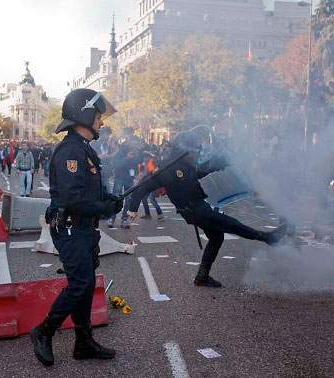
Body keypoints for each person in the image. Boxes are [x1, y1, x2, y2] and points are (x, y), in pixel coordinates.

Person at [127, 128, 289, 288]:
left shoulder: (185, 165)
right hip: (194, 210)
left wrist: (222, 161)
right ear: (185, 150)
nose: (197, 154)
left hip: (197, 208)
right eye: (195, 151)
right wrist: (133, 208)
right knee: (230, 223)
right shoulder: (167, 169)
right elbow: (142, 186)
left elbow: (201, 171)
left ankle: (202, 276)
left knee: (217, 237)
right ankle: (268, 238)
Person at [30, 88, 122, 366]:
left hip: (83, 227)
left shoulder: (84, 149)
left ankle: (83, 342)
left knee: (87, 282)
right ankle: (43, 331)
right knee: (80, 283)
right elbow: (73, 199)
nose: (101, 122)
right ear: (82, 115)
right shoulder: (70, 151)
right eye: (97, 116)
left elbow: (89, 191)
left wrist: (109, 200)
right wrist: (103, 208)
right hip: (69, 226)